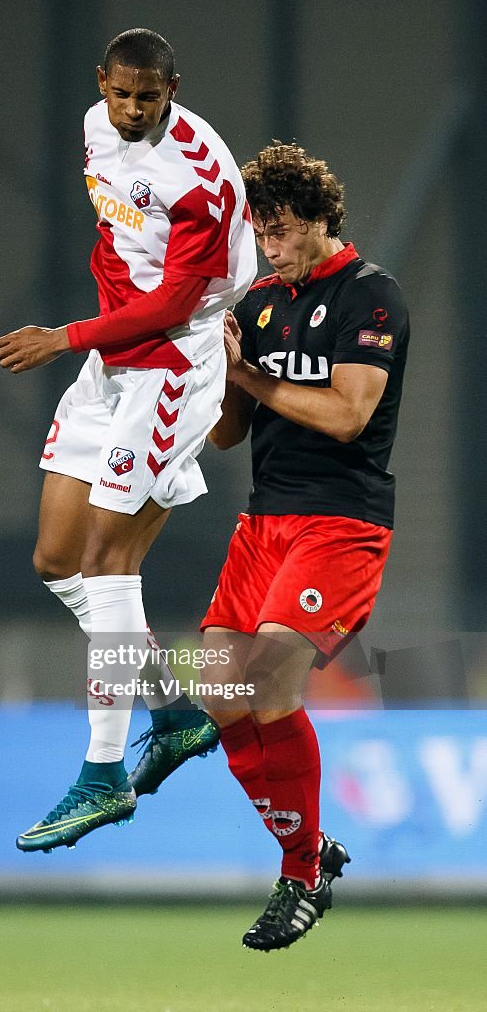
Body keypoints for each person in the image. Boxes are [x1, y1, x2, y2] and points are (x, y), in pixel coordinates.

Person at [0, 28, 257, 852]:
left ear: (173, 87)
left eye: (149, 95)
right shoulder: (92, 129)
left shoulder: (200, 176)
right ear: (102, 82)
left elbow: (178, 304)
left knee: (110, 566)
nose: (132, 108)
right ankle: (173, 713)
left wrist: (64, 335)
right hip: (112, 358)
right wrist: (97, 336)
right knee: (56, 561)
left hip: (172, 364)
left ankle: (103, 775)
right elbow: (117, 243)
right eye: (121, 93)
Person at [197, 142, 409, 951]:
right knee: (221, 692)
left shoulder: (371, 295)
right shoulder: (256, 302)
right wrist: (216, 371)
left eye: (280, 229)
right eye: (260, 231)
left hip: (339, 521)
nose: (269, 244)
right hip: (262, 524)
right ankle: (310, 854)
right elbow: (225, 437)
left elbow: (348, 415)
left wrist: (250, 378)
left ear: (319, 219)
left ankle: (297, 876)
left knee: (271, 681)